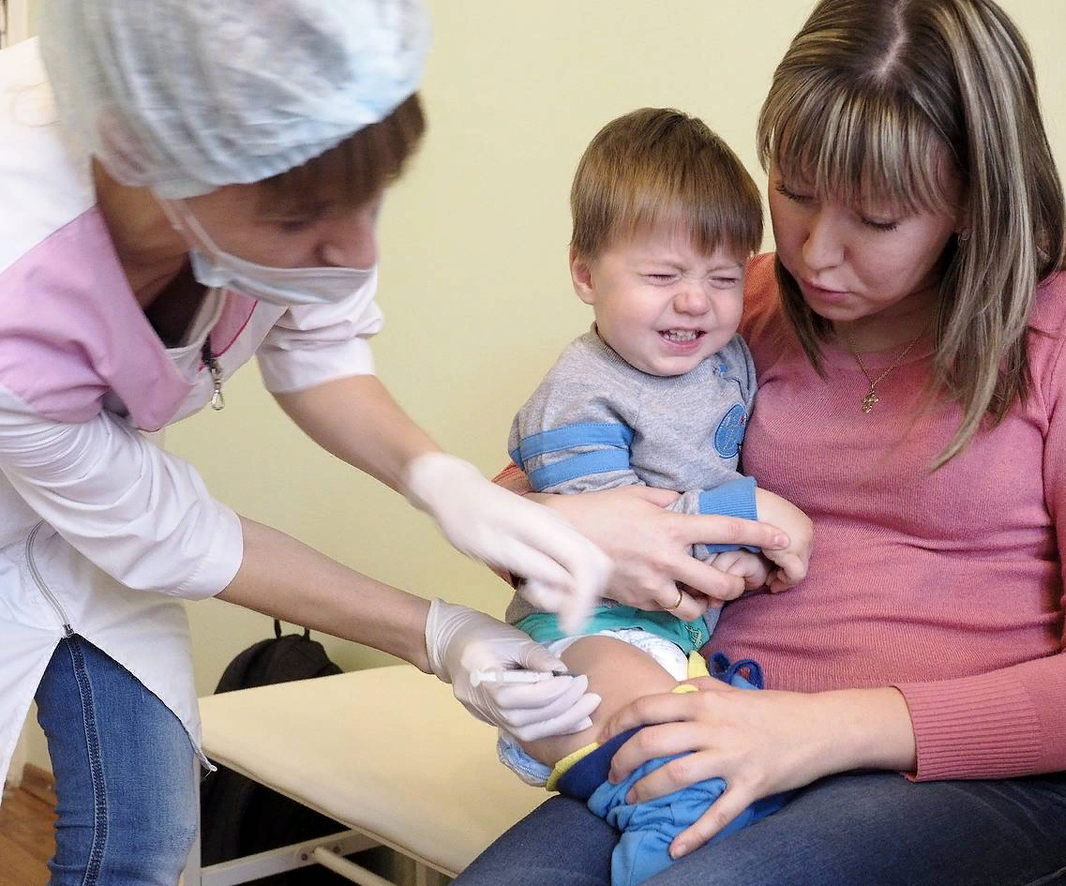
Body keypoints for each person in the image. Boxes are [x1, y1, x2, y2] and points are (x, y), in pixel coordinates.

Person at [0, 2, 765, 883]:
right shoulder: (27, 275)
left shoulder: (277, 146)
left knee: (142, 841)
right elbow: (170, 533)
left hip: (98, 517)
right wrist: (437, 634)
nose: (356, 250)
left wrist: (439, 480)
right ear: (148, 166)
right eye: (303, 222)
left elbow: (317, 346)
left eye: (368, 205)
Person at [455, 1, 1066, 884]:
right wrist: (567, 532)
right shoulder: (734, 306)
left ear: (972, 196)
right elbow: (519, 500)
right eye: (794, 193)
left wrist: (814, 730)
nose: (814, 254)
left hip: (986, 788)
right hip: (714, 731)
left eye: (876, 221)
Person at [495, 107, 813, 885]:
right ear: (584, 273)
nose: (696, 303)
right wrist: (750, 517)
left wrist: (740, 561)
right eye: (662, 276)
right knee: (676, 776)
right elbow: (610, 529)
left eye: (724, 277)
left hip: (672, 639)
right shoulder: (580, 393)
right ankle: (656, 847)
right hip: (586, 632)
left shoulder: (725, 357)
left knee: (707, 746)